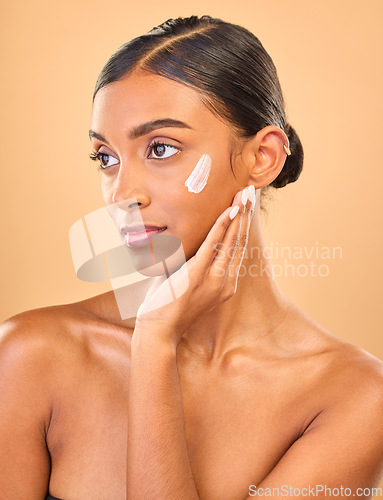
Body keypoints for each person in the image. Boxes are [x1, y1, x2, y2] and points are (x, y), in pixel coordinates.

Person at [1, 14, 383, 500]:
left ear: (262, 157)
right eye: (106, 157)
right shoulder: (31, 357)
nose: (122, 194)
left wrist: (155, 346)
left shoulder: (352, 398)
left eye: (160, 148)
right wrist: (152, 337)